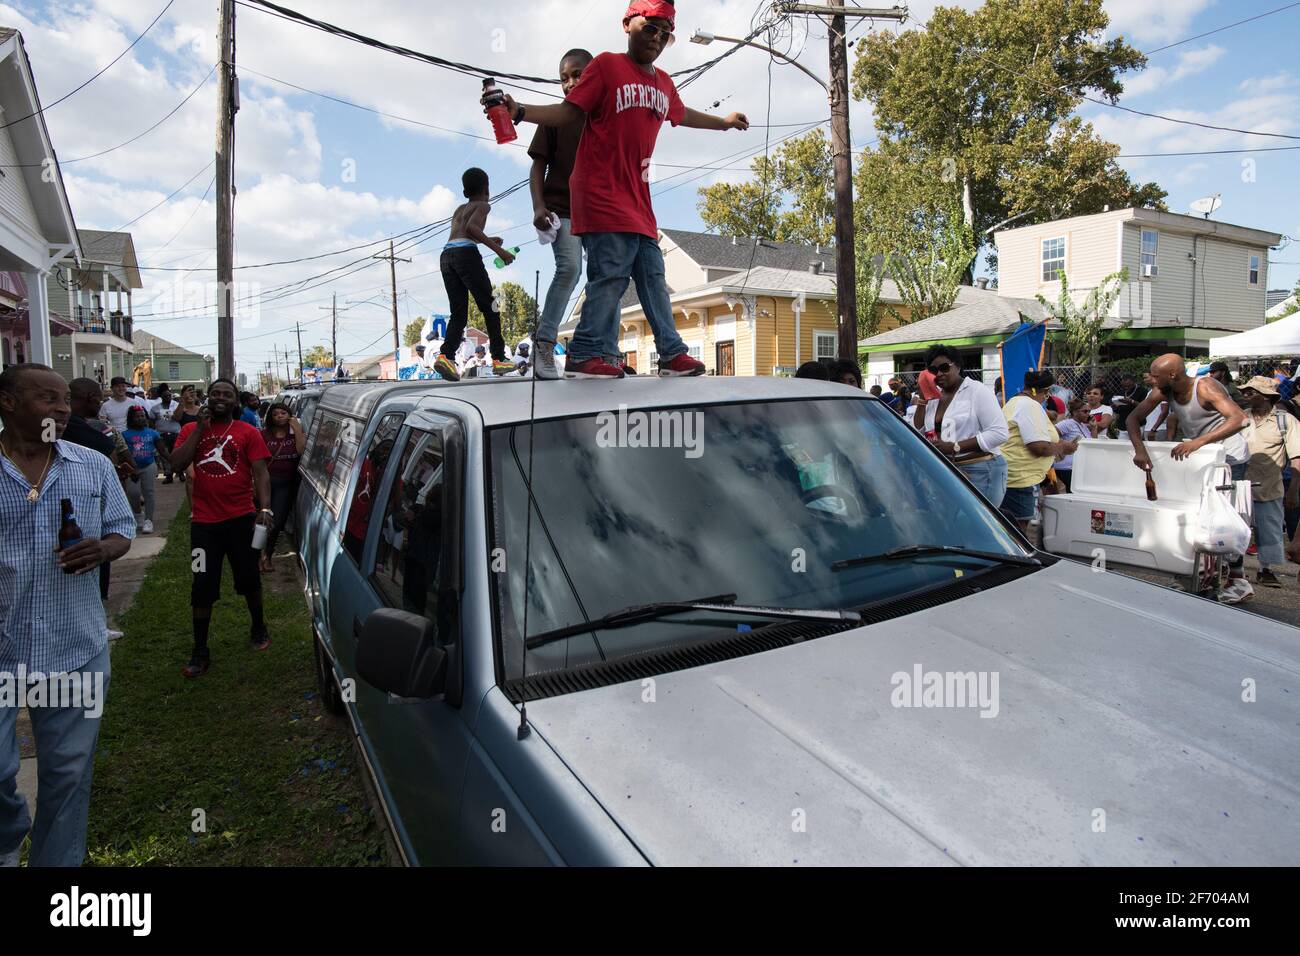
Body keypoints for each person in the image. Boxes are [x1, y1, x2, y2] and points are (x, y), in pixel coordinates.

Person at [495, 0, 747, 379]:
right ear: (628, 24)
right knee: (611, 273)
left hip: (638, 199)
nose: (657, 39)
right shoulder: (607, 66)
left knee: (652, 274)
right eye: (650, 29)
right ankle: (583, 353)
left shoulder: (663, 82)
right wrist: (519, 111)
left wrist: (723, 123)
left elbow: (682, 114)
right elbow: (569, 112)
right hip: (599, 191)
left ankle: (671, 352)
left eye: (666, 33)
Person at [0, 364, 134, 866]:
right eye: (47, 399)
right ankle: (7, 841)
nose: (61, 409)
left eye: (64, 400)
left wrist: (103, 549)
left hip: (74, 645)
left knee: (68, 774)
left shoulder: (91, 464)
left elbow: (122, 527)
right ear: (8, 402)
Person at [169, 378, 274, 678]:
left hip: (241, 520)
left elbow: (261, 473)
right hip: (204, 525)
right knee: (201, 584)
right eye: (215, 393)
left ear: (235, 401)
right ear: (207, 398)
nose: (220, 398)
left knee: (249, 577)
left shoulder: (248, 432)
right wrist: (200, 429)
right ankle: (200, 650)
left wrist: (264, 508)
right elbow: (176, 465)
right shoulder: (191, 431)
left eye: (227, 394)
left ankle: (258, 626)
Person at [1127, 353, 1251, 603]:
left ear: (1172, 374)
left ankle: (1238, 580)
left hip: (1230, 456)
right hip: (1203, 455)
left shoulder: (1205, 386)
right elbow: (1133, 418)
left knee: (1224, 518)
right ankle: (1201, 574)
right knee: (1197, 513)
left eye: (1156, 375)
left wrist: (1197, 442)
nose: (1152, 379)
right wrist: (1140, 449)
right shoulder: (1165, 391)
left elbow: (1239, 418)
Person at [529, 48, 593, 380]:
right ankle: (543, 344)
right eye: (564, 78)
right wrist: (539, 206)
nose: (570, 83)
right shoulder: (556, 116)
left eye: (577, 74)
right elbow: (538, 165)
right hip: (562, 208)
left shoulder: (605, 115)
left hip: (598, 211)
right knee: (569, 269)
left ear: (595, 73)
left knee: (605, 277)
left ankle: (592, 351)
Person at [432, 168, 520, 382]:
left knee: (459, 313)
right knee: (491, 307)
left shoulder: (459, 208)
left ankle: (445, 355)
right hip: (466, 255)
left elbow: (464, 232)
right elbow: (471, 229)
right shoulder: (483, 205)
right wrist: (500, 251)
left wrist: (488, 238)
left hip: (446, 255)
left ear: (464, 191)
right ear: (486, 189)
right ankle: (498, 358)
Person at [917, 345, 1009, 503]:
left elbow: (999, 433)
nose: (939, 374)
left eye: (944, 368)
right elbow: (919, 429)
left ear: (958, 366)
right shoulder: (935, 396)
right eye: (933, 370)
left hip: (981, 468)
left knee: (976, 525)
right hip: (949, 469)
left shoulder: (977, 391)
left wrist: (955, 447)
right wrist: (922, 398)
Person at [1237, 376, 1300, 588]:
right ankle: (1236, 570)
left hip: (1270, 485)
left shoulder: (1286, 421)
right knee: (1237, 529)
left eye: (1250, 392)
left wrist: (1293, 491)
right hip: (1239, 486)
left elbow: (1297, 458)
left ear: (1266, 397)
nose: (1245, 394)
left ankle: (1265, 570)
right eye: (1245, 391)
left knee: (1269, 531)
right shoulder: (1239, 418)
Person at [999, 370, 1078, 536]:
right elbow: (1038, 447)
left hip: (1016, 475)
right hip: (1021, 478)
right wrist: (1063, 448)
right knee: (1017, 530)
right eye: (1048, 393)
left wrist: (1057, 445)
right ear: (1046, 390)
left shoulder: (1016, 402)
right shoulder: (1029, 405)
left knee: (1012, 527)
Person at [259, 402, 304, 572]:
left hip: (285, 484)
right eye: (276, 414)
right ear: (270, 417)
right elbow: (256, 462)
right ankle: (258, 554)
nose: (279, 416)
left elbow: (300, 451)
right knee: (261, 522)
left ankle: (267, 555)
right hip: (265, 483)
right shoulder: (264, 435)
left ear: (290, 415)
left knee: (277, 524)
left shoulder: (295, 435)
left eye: (283, 413)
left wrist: (298, 430)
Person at [121, 405, 168, 534]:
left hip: (149, 466)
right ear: (131, 419)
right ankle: (138, 514)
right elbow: (121, 453)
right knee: (133, 493)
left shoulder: (152, 433)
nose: (141, 418)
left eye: (142, 416)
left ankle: (148, 520)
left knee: (149, 493)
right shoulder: (124, 435)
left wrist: (171, 460)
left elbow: (162, 450)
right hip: (132, 468)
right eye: (137, 417)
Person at [151, 383, 182, 482]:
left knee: (177, 454)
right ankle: (169, 475)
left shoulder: (176, 405)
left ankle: (180, 472)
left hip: (176, 433)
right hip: (161, 435)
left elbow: (180, 418)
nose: (168, 397)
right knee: (164, 456)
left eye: (169, 395)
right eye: (165, 396)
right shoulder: (155, 408)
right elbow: (151, 422)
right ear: (161, 397)